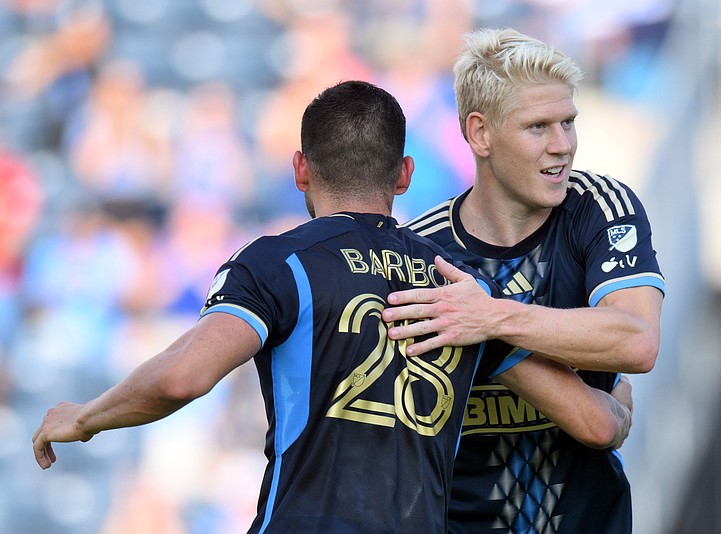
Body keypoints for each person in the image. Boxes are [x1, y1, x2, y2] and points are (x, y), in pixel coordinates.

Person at [32, 80, 634, 534]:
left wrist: (84, 417)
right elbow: (597, 426)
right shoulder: (458, 290)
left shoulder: (279, 263)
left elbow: (185, 376)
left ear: (300, 169)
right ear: (403, 175)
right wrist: (619, 395)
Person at [381, 29, 666, 533]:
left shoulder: (600, 208)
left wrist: (491, 317)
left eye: (569, 123)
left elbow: (638, 342)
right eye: (538, 127)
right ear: (480, 134)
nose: (563, 146)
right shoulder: (420, 252)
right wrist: (602, 414)